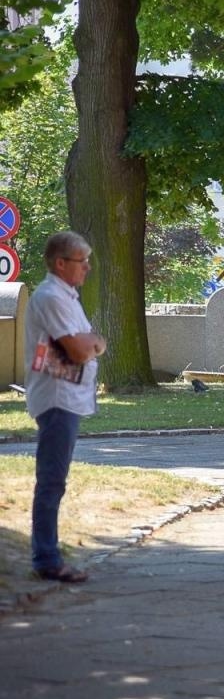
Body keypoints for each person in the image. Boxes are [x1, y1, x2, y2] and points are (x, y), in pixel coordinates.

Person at [24, 232, 106, 582]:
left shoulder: (67, 296)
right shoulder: (50, 297)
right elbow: (78, 348)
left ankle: (48, 554)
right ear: (60, 263)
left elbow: (90, 341)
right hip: (57, 398)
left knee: (56, 478)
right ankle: (46, 558)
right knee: (52, 479)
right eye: (81, 261)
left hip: (69, 397)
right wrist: (92, 343)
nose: (87, 267)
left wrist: (92, 343)